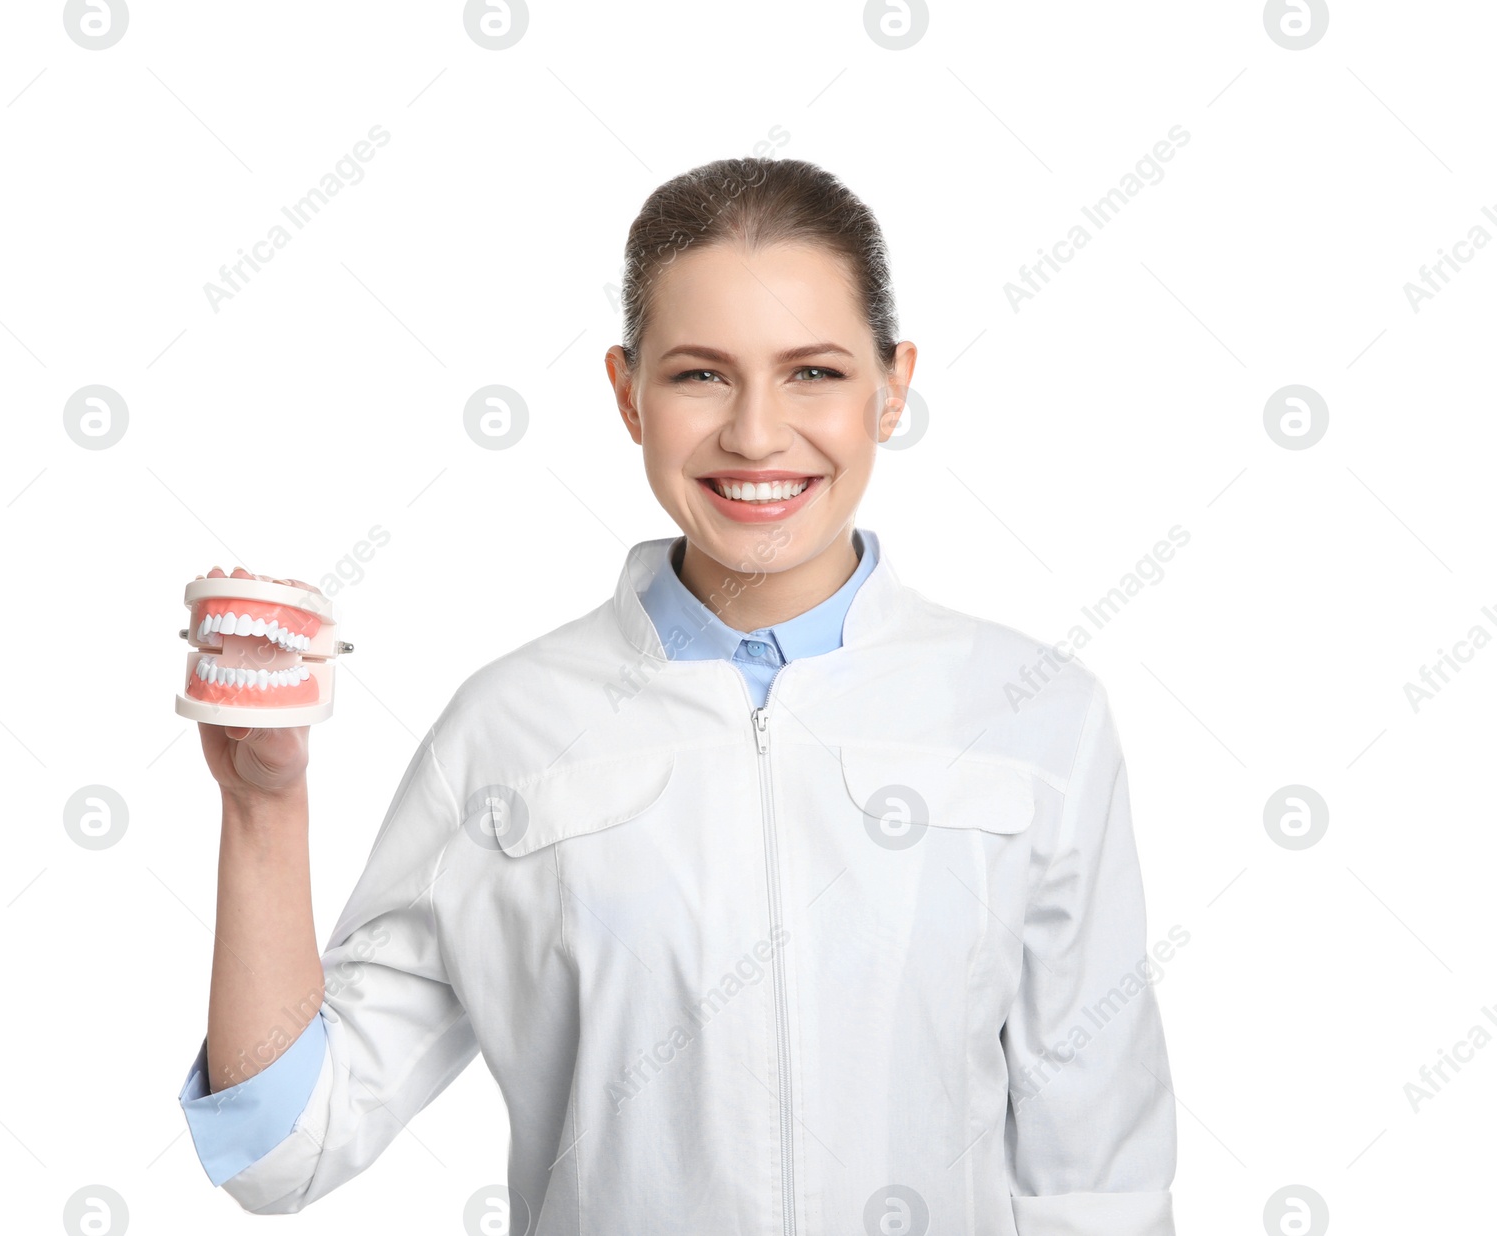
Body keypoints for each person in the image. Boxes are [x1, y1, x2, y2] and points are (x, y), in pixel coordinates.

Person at [177, 156, 1177, 1234]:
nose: (754, 434)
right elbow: (278, 1148)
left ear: (893, 389)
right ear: (626, 392)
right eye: (700, 374)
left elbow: (1096, 1178)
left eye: (814, 373)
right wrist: (262, 805)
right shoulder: (511, 730)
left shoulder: (1033, 712)